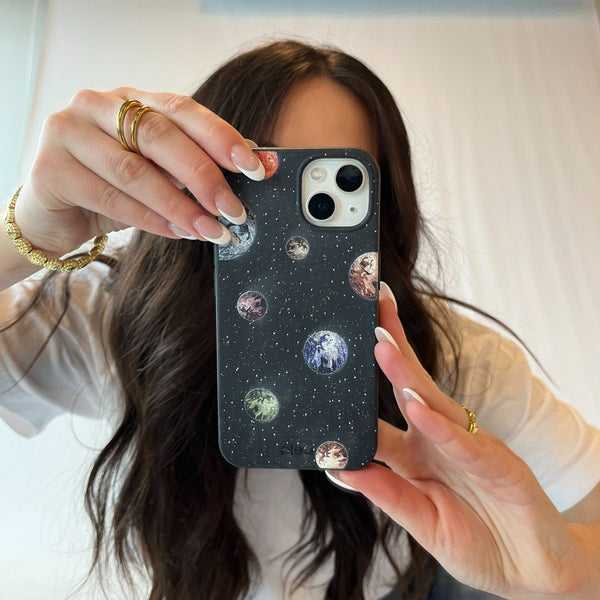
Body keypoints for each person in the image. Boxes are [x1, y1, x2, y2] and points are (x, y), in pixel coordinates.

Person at [1, 40, 599, 600]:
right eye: (258, 179)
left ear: (384, 213)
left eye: (336, 179)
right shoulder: (109, 320)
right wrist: (25, 233)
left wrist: (565, 571)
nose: (290, 227)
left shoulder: (456, 364)